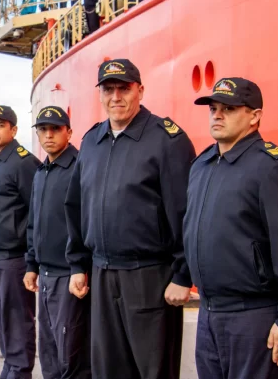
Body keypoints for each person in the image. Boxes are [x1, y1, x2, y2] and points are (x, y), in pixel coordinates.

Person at [185, 77, 278, 379]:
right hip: (209, 315)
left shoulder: (273, 168)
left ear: (254, 116)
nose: (217, 115)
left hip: (256, 319)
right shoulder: (202, 166)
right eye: (213, 109)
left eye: (229, 108)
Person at [65, 59, 196, 379]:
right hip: (101, 273)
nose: (116, 97)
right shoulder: (92, 141)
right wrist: (77, 264)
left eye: (124, 88)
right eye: (108, 90)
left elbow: (186, 213)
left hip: (149, 276)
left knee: (152, 370)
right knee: (107, 369)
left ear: (140, 90)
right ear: (100, 95)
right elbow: (76, 205)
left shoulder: (167, 140)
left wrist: (182, 274)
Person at [24, 106, 90, 379]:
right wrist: (31, 264)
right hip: (47, 275)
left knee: (72, 355)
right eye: (43, 130)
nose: (48, 135)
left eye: (55, 129)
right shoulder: (41, 172)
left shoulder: (80, 167)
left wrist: (81, 268)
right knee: (49, 351)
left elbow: (87, 220)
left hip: (69, 275)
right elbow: (34, 222)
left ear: (69, 132)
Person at [0, 105, 41, 379]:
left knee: (17, 321)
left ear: (14, 130)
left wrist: (32, 260)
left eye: (0, 125)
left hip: (15, 258)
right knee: (3, 319)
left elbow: (37, 212)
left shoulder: (23, 162)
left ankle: (18, 372)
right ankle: (10, 368)